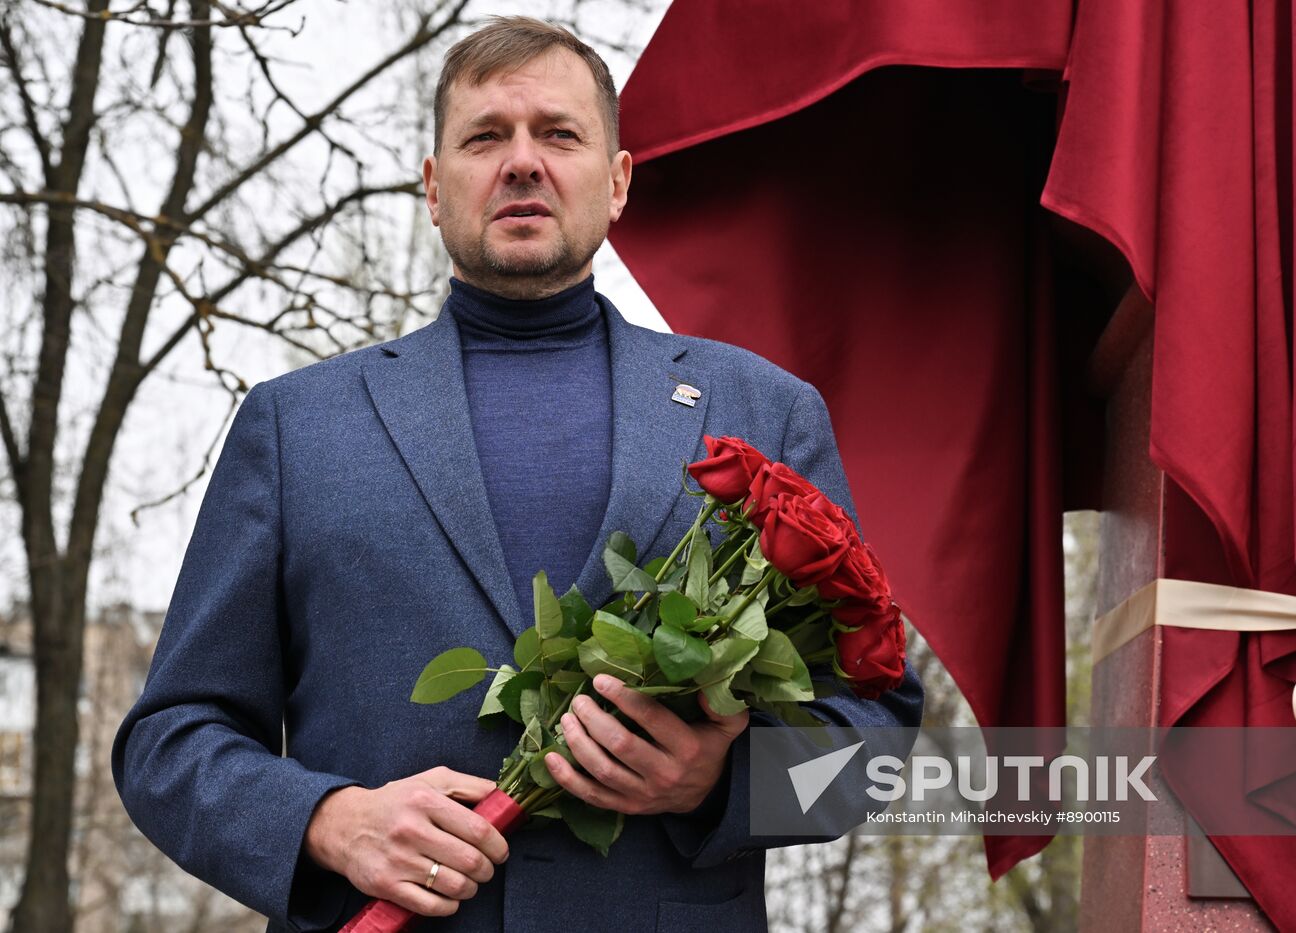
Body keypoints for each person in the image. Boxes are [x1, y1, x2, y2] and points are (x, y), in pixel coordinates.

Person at [112, 16, 924, 933]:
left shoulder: (765, 413)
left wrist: (723, 783)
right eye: (486, 135)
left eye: (560, 134)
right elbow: (169, 742)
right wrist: (327, 821)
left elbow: (877, 739)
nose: (523, 162)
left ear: (617, 182)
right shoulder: (297, 426)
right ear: (433, 185)